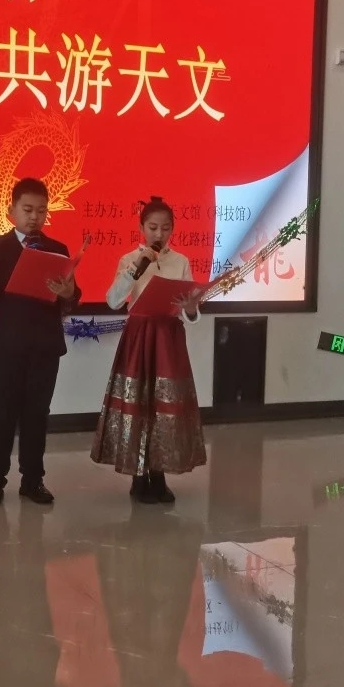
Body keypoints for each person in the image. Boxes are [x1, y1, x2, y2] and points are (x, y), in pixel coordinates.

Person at [90, 198, 206, 504]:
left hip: (168, 338)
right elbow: (113, 301)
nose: (159, 234)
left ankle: (159, 474)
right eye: (153, 227)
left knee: (163, 408)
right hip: (139, 337)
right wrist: (135, 269)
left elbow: (190, 313)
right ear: (142, 227)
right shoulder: (130, 259)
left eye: (166, 228)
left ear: (173, 229)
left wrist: (191, 307)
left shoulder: (180, 261)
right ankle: (137, 476)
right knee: (138, 404)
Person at [0, 178, 81, 506]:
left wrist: (68, 292)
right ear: (11, 211)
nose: (35, 217)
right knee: (2, 413)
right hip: (8, 345)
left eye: (41, 211)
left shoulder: (58, 249)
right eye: (28, 210)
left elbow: (72, 296)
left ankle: (33, 479)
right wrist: (19, 267)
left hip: (45, 345)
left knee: (37, 414)